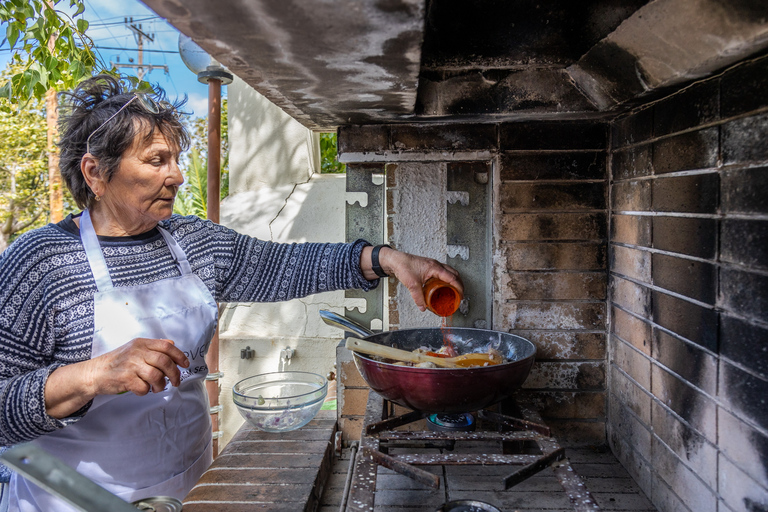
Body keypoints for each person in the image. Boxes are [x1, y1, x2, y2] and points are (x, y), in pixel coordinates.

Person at [0, 74, 462, 512]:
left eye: (178, 159)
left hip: (188, 485)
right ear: (95, 172)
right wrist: (90, 376)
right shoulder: (42, 262)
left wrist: (385, 259)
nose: (178, 176)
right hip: (74, 499)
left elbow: (284, 264)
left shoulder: (192, 242)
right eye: (157, 160)